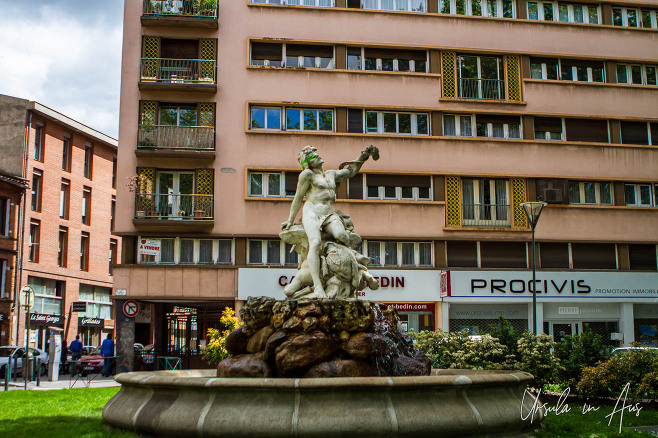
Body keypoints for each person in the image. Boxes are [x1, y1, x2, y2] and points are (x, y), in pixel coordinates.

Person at [281, 145, 378, 297]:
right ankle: (318, 286)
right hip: (312, 212)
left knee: (342, 236)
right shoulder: (307, 175)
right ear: (308, 162)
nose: (317, 156)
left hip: (329, 213)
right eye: (312, 156)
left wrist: (363, 157)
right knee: (314, 243)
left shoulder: (331, 174)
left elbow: (350, 171)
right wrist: (290, 219)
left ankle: (356, 265)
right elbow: (298, 198)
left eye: (316, 154)